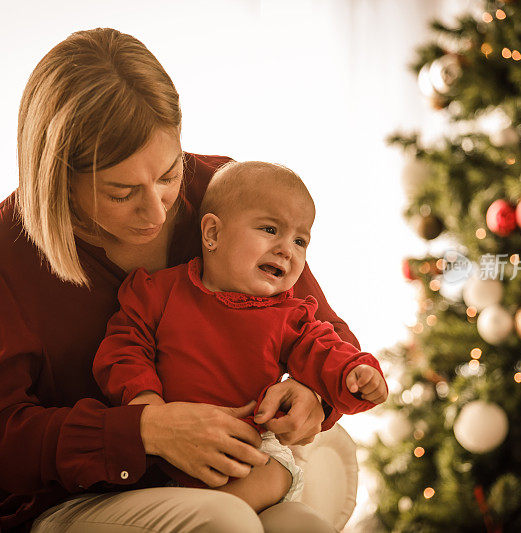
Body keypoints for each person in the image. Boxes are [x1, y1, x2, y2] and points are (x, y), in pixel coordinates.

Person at [0, 28, 361, 532]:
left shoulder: (223, 195)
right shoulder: (9, 251)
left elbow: (330, 335)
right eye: (122, 192)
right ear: (58, 178)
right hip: (83, 500)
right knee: (224, 522)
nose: (156, 210)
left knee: (302, 526)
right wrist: (145, 430)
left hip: (228, 477)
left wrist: (312, 395)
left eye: (168, 174)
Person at [93, 161, 388, 512]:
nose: (287, 250)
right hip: (165, 448)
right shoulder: (158, 292)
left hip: (249, 447)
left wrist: (353, 373)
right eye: (269, 229)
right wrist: (148, 407)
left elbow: (324, 350)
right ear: (213, 234)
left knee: (274, 471)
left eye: (300, 240)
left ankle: (214, 510)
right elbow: (124, 348)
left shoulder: (290, 316)